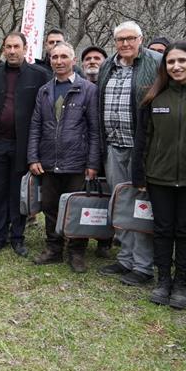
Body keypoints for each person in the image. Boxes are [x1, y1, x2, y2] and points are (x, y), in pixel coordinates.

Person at [132, 42, 186, 309]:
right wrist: (139, 175)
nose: (176, 66)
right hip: (159, 177)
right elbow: (143, 139)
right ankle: (163, 281)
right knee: (162, 229)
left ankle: (181, 282)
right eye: (170, 62)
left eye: (181, 61)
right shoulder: (153, 96)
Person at [97, 21, 162, 285]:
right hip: (113, 145)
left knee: (141, 207)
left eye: (130, 39)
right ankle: (125, 258)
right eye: (120, 39)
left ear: (141, 39)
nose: (124, 44)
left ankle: (144, 266)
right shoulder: (107, 65)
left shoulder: (156, 62)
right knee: (121, 204)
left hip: (142, 149)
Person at [28, 43, 100, 272]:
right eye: (54, 57)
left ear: (74, 60)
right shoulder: (45, 90)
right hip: (49, 161)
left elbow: (94, 130)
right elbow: (35, 125)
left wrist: (92, 163)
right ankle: (53, 248)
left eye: (63, 57)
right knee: (50, 206)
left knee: (77, 207)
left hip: (77, 162)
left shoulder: (87, 89)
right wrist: (33, 157)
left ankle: (77, 251)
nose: (58, 61)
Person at [0, 32, 49, 256]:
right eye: (8, 47)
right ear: (3, 50)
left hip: (23, 144)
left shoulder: (39, 75)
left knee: (18, 192)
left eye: (16, 47)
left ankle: (17, 236)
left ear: (25, 48)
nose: (12, 51)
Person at [79, 44, 113, 259]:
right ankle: (80, 233)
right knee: (85, 195)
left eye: (97, 58)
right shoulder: (78, 86)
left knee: (106, 194)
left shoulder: (110, 85)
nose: (92, 61)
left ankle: (105, 240)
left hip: (107, 149)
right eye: (88, 58)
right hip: (82, 150)